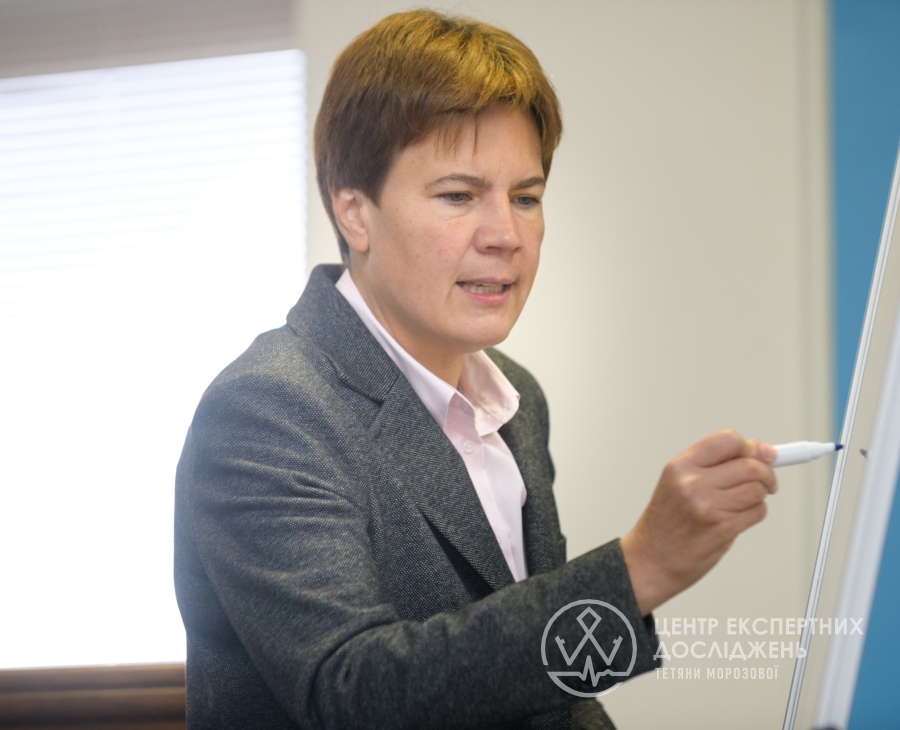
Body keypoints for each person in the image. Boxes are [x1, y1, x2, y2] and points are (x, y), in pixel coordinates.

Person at [174, 9, 777, 730]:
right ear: (354, 212)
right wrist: (638, 570)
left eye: (526, 197)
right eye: (459, 196)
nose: (506, 235)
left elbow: (543, 690)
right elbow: (352, 693)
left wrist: (631, 586)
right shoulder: (268, 407)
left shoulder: (518, 396)